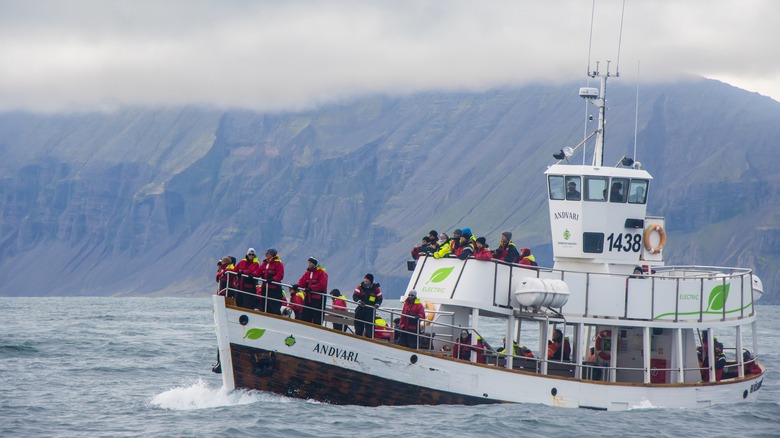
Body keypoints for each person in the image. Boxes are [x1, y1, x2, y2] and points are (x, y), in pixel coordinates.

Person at [294, 257, 328, 325]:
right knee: (306, 316)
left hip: (318, 300)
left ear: (314, 264)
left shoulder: (321, 273)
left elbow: (322, 285)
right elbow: (302, 281)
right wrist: (297, 285)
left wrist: (311, 288)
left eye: (310, 263)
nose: (308, 264)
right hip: (308, 299)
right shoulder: (308, 273)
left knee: (316, 317)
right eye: (308, 263)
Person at [353, 273, 383, 338]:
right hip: (360, 310)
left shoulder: (376, 289)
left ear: (371, 281)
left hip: (370, 311)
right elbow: (355, 296)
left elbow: (380, 299)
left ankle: (369, 342)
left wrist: (376, 305)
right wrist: (359, 301)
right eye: (365, 279)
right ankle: (358, 340)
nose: (365, 280)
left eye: (367, 279)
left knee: (369, 330)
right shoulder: (360, 287)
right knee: (358, 329)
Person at [258, 248, 285, 315]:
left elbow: (280, 275)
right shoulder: (265, 263)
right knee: (264, 305)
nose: (266, 255)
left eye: (268, 253)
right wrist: (253, 274)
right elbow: (259, 271)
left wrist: (273, 279)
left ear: (272, 254)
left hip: (274, 290)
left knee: (274, 307)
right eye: (266, 253)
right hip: (265, 288)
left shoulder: (278, 264)